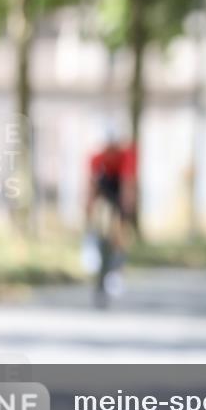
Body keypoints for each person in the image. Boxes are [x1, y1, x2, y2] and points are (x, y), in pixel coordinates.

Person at [84, 128, 137, 301]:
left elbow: (127, 183)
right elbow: (92, 186)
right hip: (104, 191)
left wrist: (125, 209)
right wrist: (90, 208)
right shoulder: (96, 158)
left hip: (119, 190)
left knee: (119, 234)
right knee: (101, 228)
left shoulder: (126, 156)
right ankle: (98, 259)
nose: (110, 152)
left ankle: (117, 269)